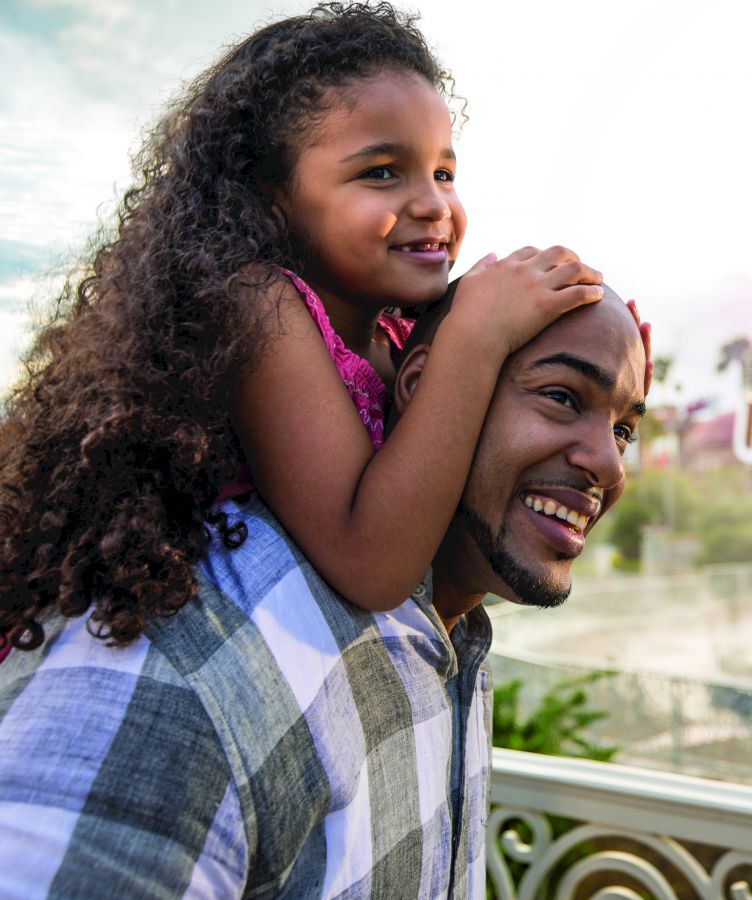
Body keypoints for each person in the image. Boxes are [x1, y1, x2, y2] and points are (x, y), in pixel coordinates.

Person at [0, 2, 649, 660]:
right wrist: (475, 336)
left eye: (443, 173)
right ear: (270, 195)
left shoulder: (392, 337)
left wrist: (592, 359)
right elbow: (373, 564)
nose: (432, 203)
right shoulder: (260, 307)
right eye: (381, 173)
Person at [0, 284, 647, 897]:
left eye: (623, 429)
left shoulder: (454, 643)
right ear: (427, 383)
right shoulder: (202, 661)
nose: (611, 465)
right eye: (562, 397)